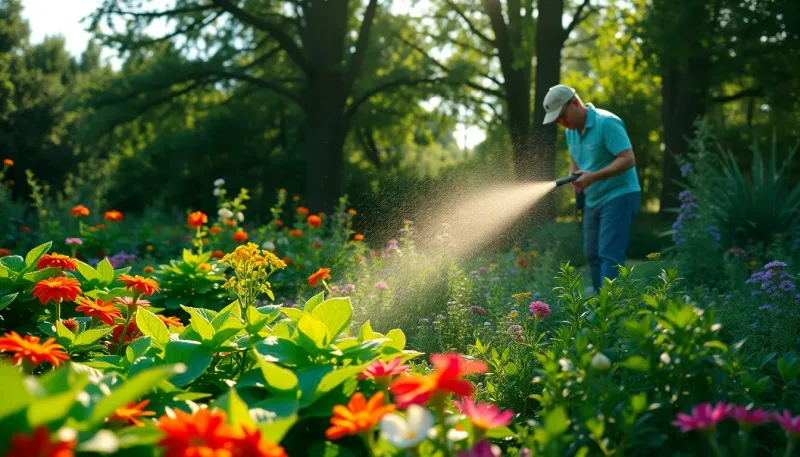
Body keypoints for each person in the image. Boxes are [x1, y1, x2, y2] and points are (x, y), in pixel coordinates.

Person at [542, 84, 641, 293]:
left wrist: (592, 177)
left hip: (619, 194)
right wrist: (575, 176)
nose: (561, 123)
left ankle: (612, 313)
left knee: (609, 254)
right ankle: (600, 306)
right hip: (593, 199)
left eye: (561, 116)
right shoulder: (571, 131)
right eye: (557, 120)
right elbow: (575, 159)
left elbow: (628, 159)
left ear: (575, 103)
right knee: (592, 254)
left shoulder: (607, 123)